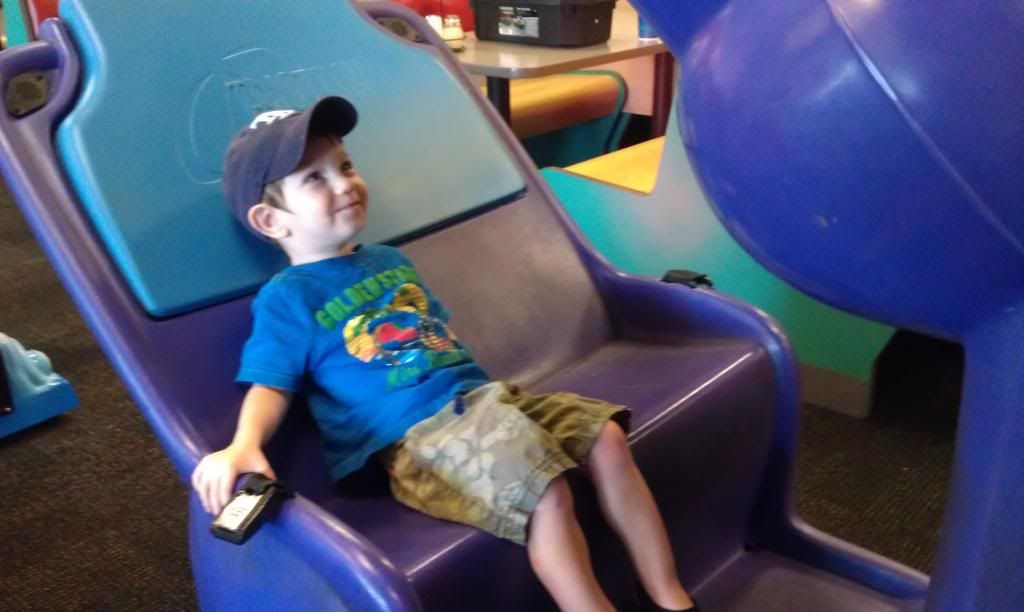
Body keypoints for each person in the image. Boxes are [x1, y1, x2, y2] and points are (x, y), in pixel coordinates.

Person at [191, 96, 698, 612]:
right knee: (546, 491)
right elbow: (271, 383)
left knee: (608, 439)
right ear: (271, 221)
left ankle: (667, 596)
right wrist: (244, 444)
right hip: (416, 437)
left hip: (484, 400)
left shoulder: (389, 260)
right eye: (315, 179)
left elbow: (436, 336)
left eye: (344, 166)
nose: (344, 184)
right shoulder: (288, 297)